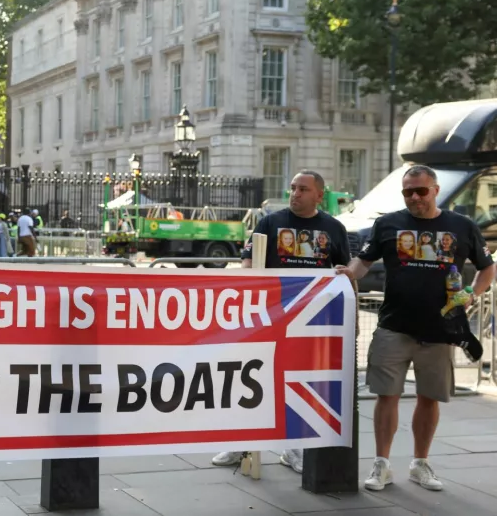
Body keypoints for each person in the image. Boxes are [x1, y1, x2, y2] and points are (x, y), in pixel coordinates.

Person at [336, 165, 495, 492]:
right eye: (408, 191)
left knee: (429, 398)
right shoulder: (388, 223)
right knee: (386, 396)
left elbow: (487, 268)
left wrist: (469, 295)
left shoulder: (461, 226)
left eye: (420, 191)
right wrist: (346, 274)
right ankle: (381, 464)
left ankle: (420, 464)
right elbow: (363, 262)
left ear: (435, 190)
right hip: (394, 326)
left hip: (440, 329)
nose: (414, 197)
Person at [212, 170, 350, 475]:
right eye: (292, 188)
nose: (295, 193)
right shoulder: (270, 223)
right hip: (269, 318)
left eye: (303, 189)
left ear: (318, 195)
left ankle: (294, 448)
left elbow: (343, 270)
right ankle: (241, 444)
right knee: (252, 380)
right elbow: (248, 262)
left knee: (298, 381)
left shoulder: (333, 228)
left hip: (309, 321)